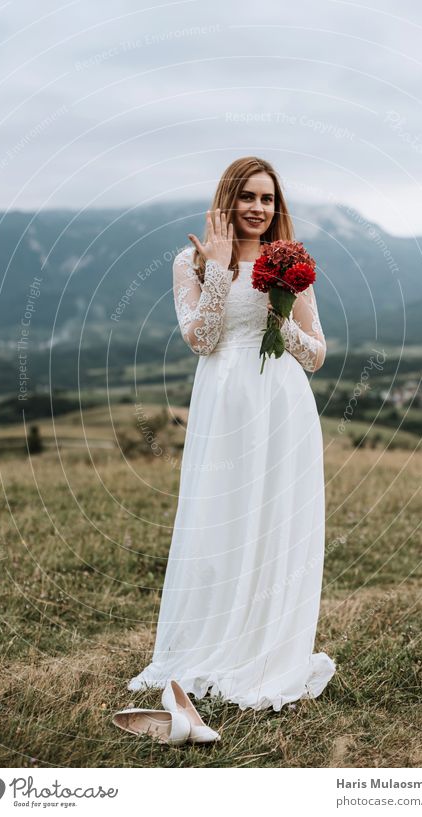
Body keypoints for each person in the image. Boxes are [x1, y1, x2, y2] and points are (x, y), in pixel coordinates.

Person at [128, 156, 336, 711]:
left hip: (282, 403)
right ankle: (210, 640)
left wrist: (280, 315)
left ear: (277, 207)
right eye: (248, 197)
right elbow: (200, 339)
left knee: (276, 517)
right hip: (224, 400)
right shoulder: (191, 260)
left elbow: (316, 355)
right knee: (221, 515)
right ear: (229, 198)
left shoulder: (290, 263)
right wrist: (218, 272)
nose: (258, 209)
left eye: (267, 199)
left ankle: (269, 644)